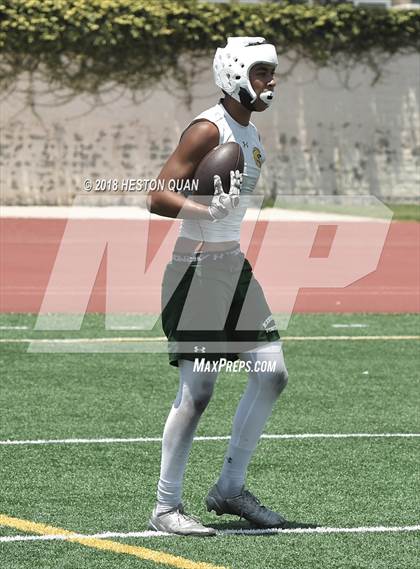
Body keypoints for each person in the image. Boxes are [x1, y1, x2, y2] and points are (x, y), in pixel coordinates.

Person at [147, 37, 289, 536]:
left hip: (233, 267)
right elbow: (158, 195)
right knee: (199, 391)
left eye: (272, 72)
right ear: (234, 73)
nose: (271, 81)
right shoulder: (209, 128)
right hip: (197, 270)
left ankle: (229, 489)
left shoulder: (250, 134)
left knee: (272, 374)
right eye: (261, 72)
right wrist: (205, 210)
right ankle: (166, 508)